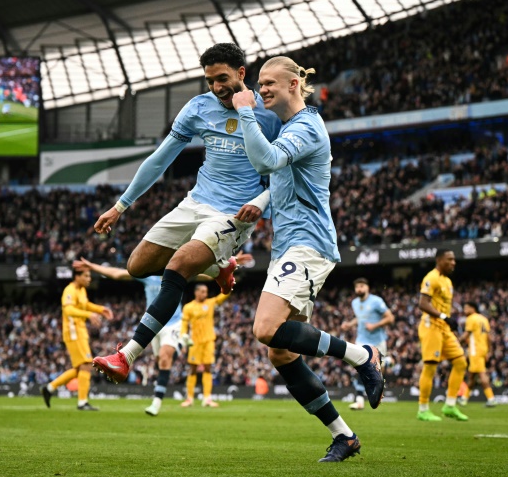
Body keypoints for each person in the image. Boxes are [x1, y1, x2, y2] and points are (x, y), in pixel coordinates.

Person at [92, 43, 281, 383]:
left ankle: (127, 355)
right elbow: (160, 158)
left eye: (222, 78)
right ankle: (221, 265)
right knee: (137, 266)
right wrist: (120, 206)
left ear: (241, 73)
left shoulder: (268, 114)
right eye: (210, 81)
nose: (216, 87)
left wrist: (263, 201)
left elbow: (285, 173)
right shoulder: (199, 107)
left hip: (234, 214)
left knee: (177, 267)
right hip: (195, 202)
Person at [231, 56, 384, 463]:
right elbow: (280, 175)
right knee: (280, 352)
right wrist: (261, 201)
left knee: (265, 328)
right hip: (291, 245)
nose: (261, 89)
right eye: (259, 84)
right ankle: (344, 436)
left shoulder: (307, 126)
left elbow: (265, 161)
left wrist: (245, 112)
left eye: (269, 83)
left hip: (308, 244)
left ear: (294, 85)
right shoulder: (287, 130)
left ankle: (362, 355)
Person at [75, 253, 250, 416]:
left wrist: (228, 264)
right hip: (153, 325)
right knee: (161, 362)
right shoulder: (147, 276)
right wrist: (91, 266)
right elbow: (117, 273)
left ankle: (157, 402)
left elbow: (207, 273)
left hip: (174, 323)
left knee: (166, 357)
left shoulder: (178, 272)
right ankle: (180, 346)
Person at [41, 266, 113, 411]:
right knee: (86, 365)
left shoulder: (81, 290)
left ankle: (49, 388)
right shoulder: (70, 290)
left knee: (80, 368)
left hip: (80, 332)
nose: (89, 279)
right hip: (73, 332)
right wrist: (89, 315)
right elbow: (68, 310)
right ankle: (82, 402)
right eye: (86, 276)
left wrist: (100, 309)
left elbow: (85, 305)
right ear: (77, 276)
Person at [416, 249, 468, 421]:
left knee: (461, 362)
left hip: (444, 329)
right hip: (432, 327)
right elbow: (422, 303)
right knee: (430, 367)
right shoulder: (431, 277)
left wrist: (447, 320)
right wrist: (444, 317)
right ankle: (423, 409)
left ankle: (450, 405)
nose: (453, 262)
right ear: (439, 260)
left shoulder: (447, 281)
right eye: (450, 259)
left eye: (454, 259)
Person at [340, 278, 394, 410]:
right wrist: (350, 324)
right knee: (360, 366)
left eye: (362, 286)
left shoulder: (376, 301)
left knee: (378, 369)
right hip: (362, 340)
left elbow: (390, 318)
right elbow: (360, 318)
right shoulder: (355, 303)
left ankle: (387, 362)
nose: (359, 289)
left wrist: (375, 325)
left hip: (378, 341)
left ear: (368, 287)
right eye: (357, 286)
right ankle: (359, 400)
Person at [180, 284, 229, 408]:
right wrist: (183, 337)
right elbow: (184, 325)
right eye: (202, 291)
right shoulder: (188, 307)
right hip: (194, 342)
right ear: (196, 292)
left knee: (208, 368)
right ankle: (189, 398)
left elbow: (222, 297)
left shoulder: (210, 303)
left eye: (206, 291)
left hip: (208, 341)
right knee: (193, 369)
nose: (205, 294)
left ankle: (207, 398)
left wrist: (228, 286)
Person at [457, 301, 496, 407]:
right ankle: (464, 399)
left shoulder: (471, 319)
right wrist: (489, 351)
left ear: (473, 308)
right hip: (482, 349)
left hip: (475, 351)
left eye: (466, 308)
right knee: (472, 376)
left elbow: (466, 335)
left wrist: (455, 343)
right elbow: (488, 337)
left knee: (481, 374)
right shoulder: (484, 319)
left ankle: (491, 398)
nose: (465, 310)